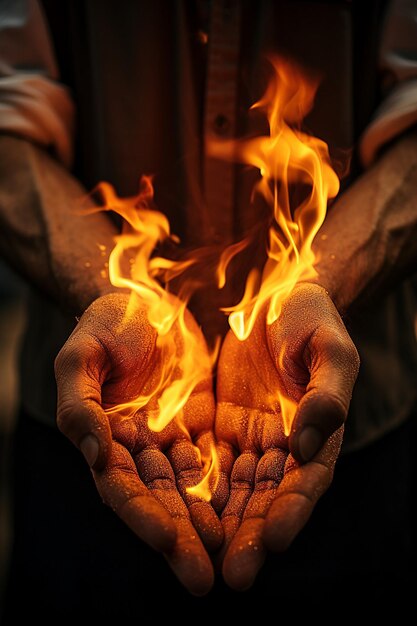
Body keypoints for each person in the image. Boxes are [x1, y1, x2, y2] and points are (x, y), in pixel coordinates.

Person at [0, 0, 416, 617]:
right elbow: (10, 118)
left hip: (355, 441)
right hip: (89, 435)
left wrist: (318, 285)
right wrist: (111, 293)